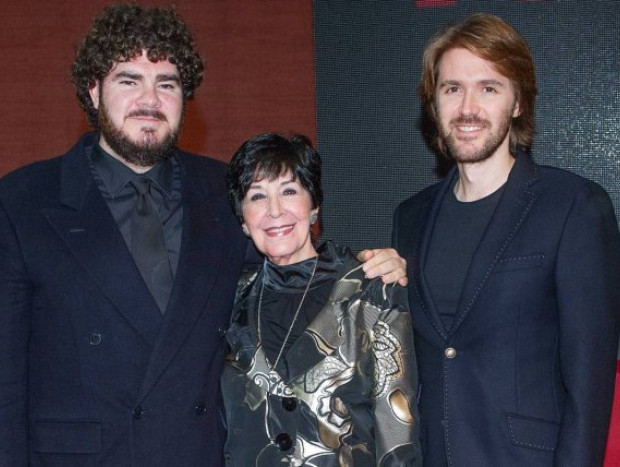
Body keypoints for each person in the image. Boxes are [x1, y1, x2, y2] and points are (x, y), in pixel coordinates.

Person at [0, 5, 407, 466]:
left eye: (167, 84)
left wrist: (366, 271)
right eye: (129, 80)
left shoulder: (227, 191)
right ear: (94, 91)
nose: (149, 99)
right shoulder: (21, 202)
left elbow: (290, 276)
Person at [392, 13, 620, 466]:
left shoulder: (574, 206)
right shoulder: (410, 218)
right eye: (451, 88)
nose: (467, 108)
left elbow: (589, 383)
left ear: (517, 103)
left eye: (489, 87)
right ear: (433, 103)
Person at [221, 133, 422, 466]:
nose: (274, 211)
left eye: (289, 191)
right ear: (243, 220)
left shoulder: (372, 289)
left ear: (313, 206)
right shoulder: (231, 296)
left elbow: (398, 431)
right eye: (257, 196)